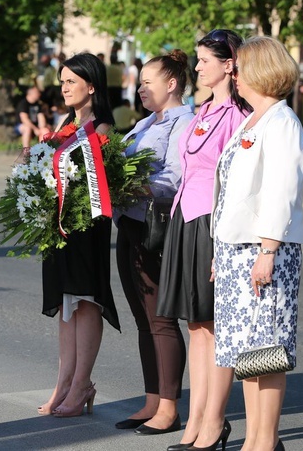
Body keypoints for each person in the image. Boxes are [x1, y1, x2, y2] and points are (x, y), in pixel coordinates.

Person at [156, 29, 250, 451]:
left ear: (229, 64)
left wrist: (226, 238)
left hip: (214, 222)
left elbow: (236, 181)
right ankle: (195, 420)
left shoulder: (239, 116)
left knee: (215, 326)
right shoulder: (203, 111)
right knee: (195, 325)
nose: (196, 67)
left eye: (204, 60)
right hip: (185, 219)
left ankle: (214, 422)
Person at [212, 36, 303, 451]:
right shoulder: (254, 120)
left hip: (263, 251)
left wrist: (267, 251)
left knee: (266, 350)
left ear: (259, 70)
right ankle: (254, 439)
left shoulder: (282, 121)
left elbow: (281, 190)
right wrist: (221, 252)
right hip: (237, 251)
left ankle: (264, 443)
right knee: (247, 355)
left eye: (238, 65)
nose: (233, 72)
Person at [113, 50, 192, 435]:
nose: (141, 87)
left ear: (171, 84)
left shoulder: (184, 122)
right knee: (143, 320)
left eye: (148, 81)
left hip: (154, 228)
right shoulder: (145, 123)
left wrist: (130, 184)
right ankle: (150, 400)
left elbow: (176, 178)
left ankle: (169, 408)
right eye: (140, 81)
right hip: (128, 225)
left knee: (161, 320)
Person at [38, 52, 120, 418]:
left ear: (91, 85)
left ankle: (82, 383)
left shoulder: (101, 128)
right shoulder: (63, 123)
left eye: (71, 81)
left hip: (87, 226)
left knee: (85, 301)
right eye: (62, 81)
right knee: (66, 305)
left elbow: (95, 179)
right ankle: (64, 383)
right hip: (61, 224)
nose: (64, 87)